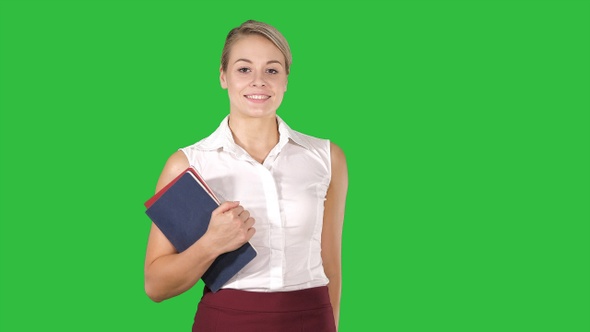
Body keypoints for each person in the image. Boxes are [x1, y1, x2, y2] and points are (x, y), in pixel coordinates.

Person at [144, 20, 348, 332]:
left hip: (312, 318)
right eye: (243, 69)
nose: (258, 81)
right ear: (223, 76)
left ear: (286, 80)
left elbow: (331, 264)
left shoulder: (326, 157)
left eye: (272, 70)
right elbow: (156, 285)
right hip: (225, 321)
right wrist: (211, 243)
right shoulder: (187, 164)